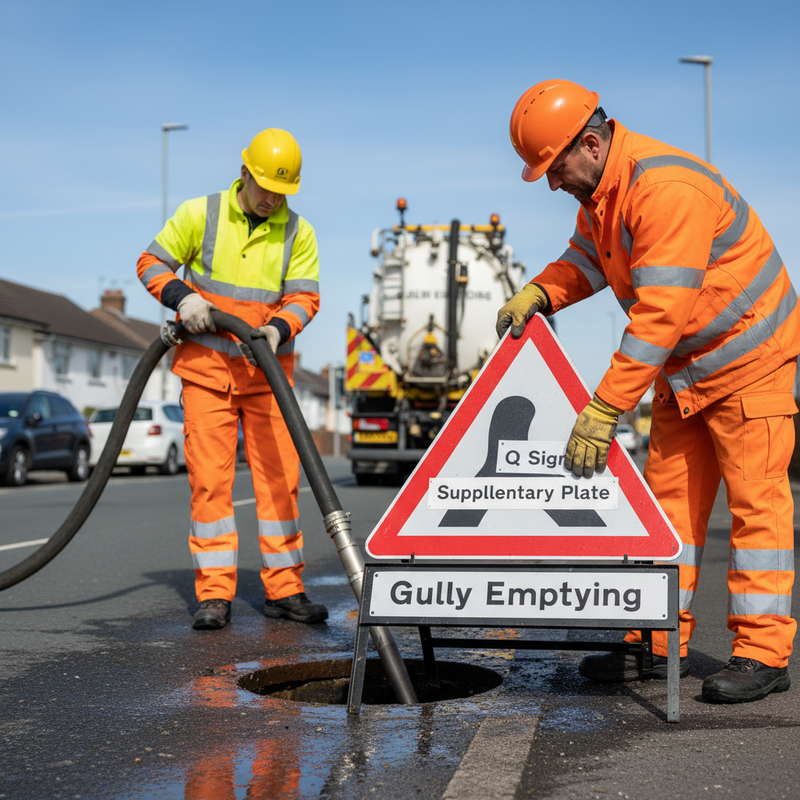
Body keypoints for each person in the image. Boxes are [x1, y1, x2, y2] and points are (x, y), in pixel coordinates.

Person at [497, 80, 800, 704]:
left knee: (757, 508)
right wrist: (542, 291)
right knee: (667, 515)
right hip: (685, 371)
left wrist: (605, 407)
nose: (552, 184)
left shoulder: (664, 188)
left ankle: (763, 654)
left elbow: (660, 313)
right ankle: (657, 642)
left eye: (554, 169)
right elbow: (587, 259)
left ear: (589, 143)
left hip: (750, 362)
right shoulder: (603, 195)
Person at [137, 128, 328, 630]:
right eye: (266, 187)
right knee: (210, 486)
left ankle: (284, 590)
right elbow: (150, 262)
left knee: (280, 485)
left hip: (266, 377)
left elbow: (304, 298)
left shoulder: (298, 232)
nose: (272, 200)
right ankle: (215, 594)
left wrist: (276, 329)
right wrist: (184, 298)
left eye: (282, 192)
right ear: (244, 173)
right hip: (206, 377)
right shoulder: (199, 214)